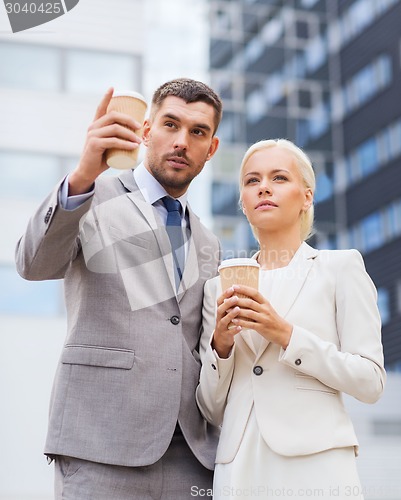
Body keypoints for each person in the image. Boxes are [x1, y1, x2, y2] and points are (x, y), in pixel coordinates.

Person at [15, 78, 223, 499]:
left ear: (211, 148)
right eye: (170, 124)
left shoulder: (208, 241)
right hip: (101, 441)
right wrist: (84, 174)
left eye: (197, 131)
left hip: (191, 454)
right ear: (146, 131)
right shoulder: (90, 196)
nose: (182, 141)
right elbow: (33, 264)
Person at [196, 139, 386, 500]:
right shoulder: (217, 287)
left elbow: (371, 381)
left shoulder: (339, 268)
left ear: (307, 197)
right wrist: (220, 346)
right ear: (244, 204)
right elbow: (210, 408)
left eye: (279, 177)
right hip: (238, 468)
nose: (264, 187)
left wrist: (286, 334)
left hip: (316, 463)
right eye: (252, 181)